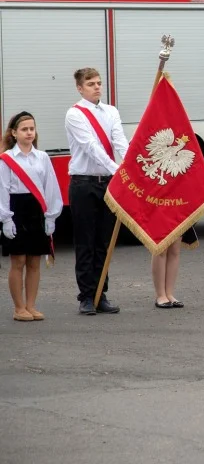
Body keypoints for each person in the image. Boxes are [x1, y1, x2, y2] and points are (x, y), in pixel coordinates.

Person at [65, 67, 129, 315]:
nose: (97, 87)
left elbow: (119, 140)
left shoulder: (111, 111)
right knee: (85, 241)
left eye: (99, 83)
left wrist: (126, 167)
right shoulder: (74, 114)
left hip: (108, 183)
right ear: (80, 88)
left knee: (104, 241)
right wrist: (117, 169)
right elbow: (90, 147)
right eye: (91, 84)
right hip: (83, 182)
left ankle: (101, 293)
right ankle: (86, 296)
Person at [1, 112, 62, 321]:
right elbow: (2, 190)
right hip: (16, 209)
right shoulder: (7, 159)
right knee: (18, 260)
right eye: (24, 129)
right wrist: (6, 218)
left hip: (37, 210)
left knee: (34, 261)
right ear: (14, 133)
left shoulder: (42, 157)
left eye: (32, 129)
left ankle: (31, 305)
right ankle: (19, 308)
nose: (29, 133)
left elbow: (51, 187)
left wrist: (51, 216)